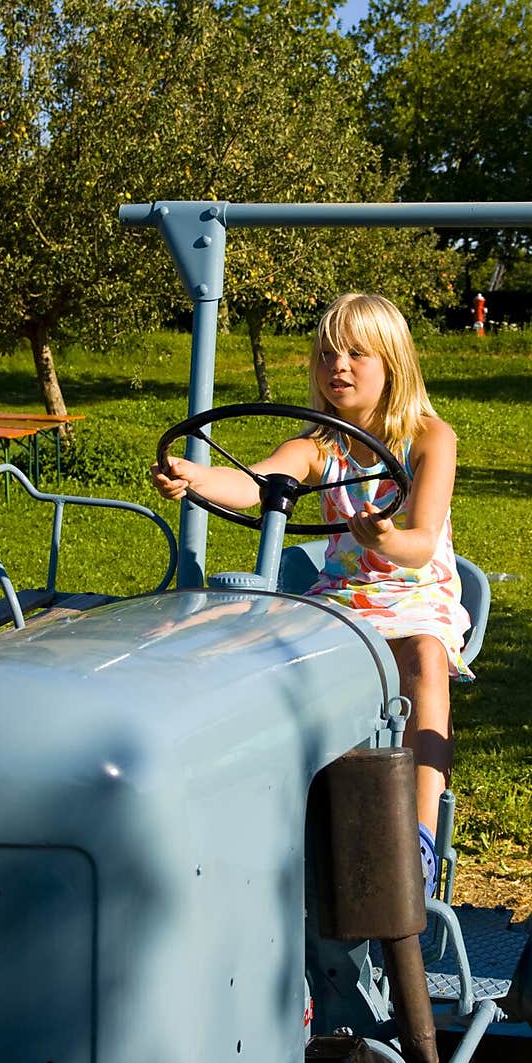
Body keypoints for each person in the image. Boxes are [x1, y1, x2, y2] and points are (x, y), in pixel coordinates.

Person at [151, 291, 475, 898]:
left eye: (356, 353)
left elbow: (423, 543)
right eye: (327, 354)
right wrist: (196, 476)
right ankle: (278, 819)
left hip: (414, 591)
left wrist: (386, 536)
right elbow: (252, 483)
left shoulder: (430, 438)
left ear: (394, 364)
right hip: (343, 594)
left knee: (425, 658)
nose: (339, 367)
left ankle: (420, 841)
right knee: (260, 654)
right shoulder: (317, 446)